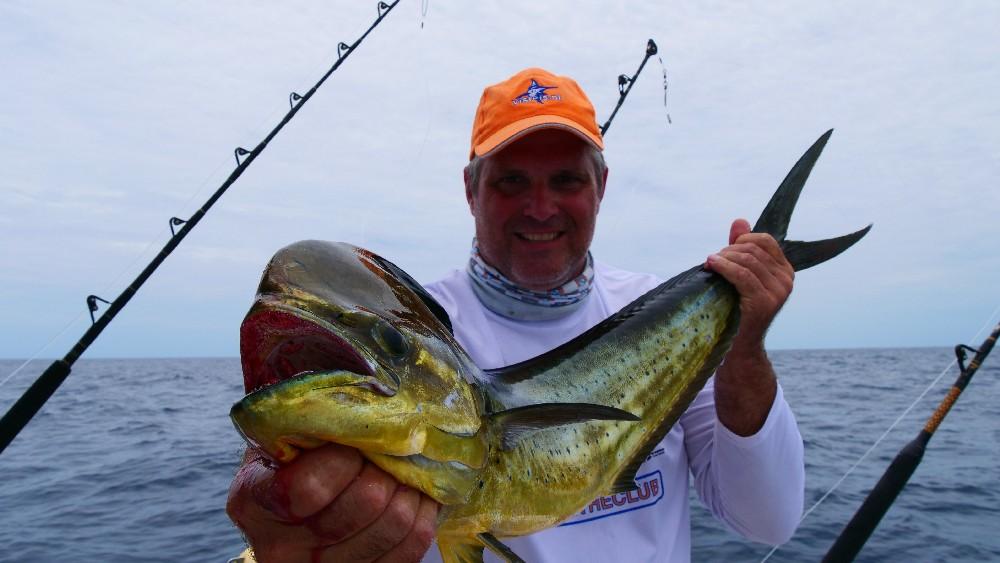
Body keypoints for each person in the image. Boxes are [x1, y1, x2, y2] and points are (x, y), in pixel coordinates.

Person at [227, 67, 804, 562]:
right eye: (511, 182)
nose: (540, 207)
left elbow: (768, 521)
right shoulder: (415, 328)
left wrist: (744, 344)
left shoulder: (663, 318)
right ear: (470, 190)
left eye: (566, 180)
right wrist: (280, 523)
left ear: (601, 186)